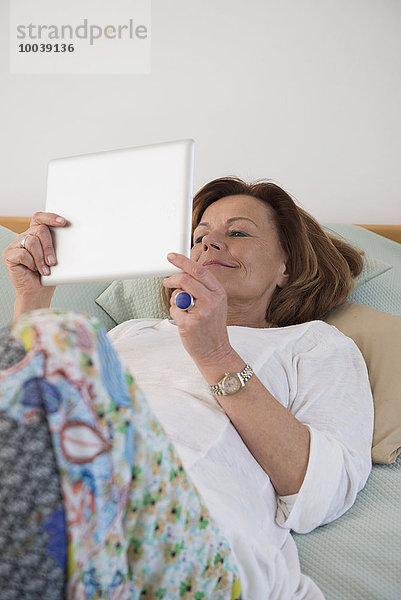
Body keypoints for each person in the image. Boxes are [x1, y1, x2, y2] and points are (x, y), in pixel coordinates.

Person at [1, 177, 374, 599]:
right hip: (52, 493)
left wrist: (216, 355)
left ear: (286, 267)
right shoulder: (133, 332)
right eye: (200, 236)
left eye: (237, 233)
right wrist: (31, 301)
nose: (210, 245)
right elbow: (29, 407)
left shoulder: (313, 344)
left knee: (62, 336)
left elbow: (321, 492)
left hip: (181, 528)